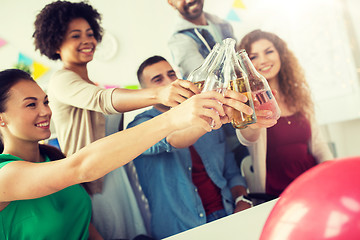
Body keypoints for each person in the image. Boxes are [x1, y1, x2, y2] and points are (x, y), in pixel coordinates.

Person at [0, 68, 244, 239]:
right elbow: (81, 167)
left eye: (45, 102)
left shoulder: (52, 158)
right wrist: (172, 118)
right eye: (31, 104)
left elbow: (86, 228)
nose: (45, 111)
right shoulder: (5, 175)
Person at [32, 1, 201, 239]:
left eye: (90, 34)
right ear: (56, 42)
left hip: (122, 179)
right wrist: (160, 93)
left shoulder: (91, 84)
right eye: (75, 35)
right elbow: (101, 100)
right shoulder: (61, 80)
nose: (87, 40)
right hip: (95, 186)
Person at [127, 56, 254, 239]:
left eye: (172, 75)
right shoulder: (139, 126)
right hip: (180, 230)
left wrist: (242, 200)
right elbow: (172, 139)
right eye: (158, 79)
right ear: (145, 91)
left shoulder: (207, 112)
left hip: (228, 216)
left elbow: (231, 172)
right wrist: (211, 118)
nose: (171, 82)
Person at [236, 29, 334, 198]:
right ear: (245, 64)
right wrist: (253, 121)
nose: (264, 60)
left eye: (269, 52)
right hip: (277, 194)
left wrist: (332, 173)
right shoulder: (247, 100)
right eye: (254, 56)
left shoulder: (300, 94)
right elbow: (246, 138)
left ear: (280, 54)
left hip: (313, 184)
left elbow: (318, 145)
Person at [167, 0, 249, 170]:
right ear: (170, 2)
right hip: (225, 130)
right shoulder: (180, 39)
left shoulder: (223, 24)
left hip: (248, 112)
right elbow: (206, 83)